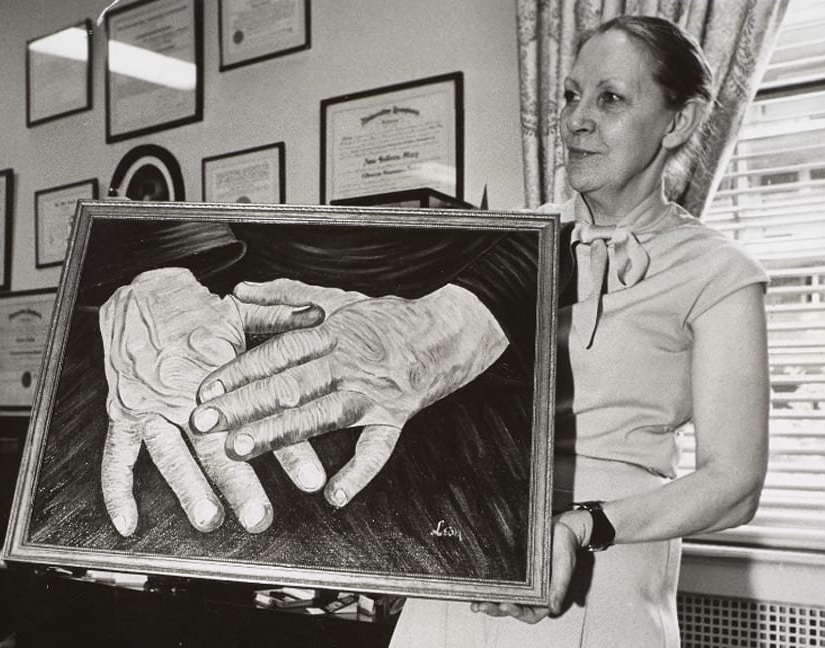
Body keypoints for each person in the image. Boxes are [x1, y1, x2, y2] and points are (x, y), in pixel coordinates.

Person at [186, 14, 770, 647]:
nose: (576, 119)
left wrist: (580, 527)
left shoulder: (721, 272)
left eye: (611, 99)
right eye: (571, 95)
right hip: (462, 546)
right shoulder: (502, 244)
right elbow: (403, 362)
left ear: (678, 120)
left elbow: (732, 484)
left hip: (604, 565)